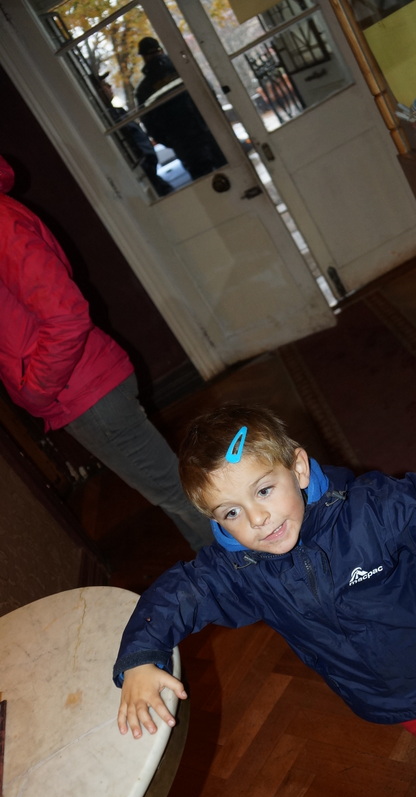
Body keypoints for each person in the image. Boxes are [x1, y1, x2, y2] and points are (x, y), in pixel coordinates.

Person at [114, 403, 416, 797]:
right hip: (385, 688)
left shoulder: (369, 509)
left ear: (298, 467)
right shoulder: (240, 569)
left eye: (265, 490)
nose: (257, 519)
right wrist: (140, 655)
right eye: (231, 512)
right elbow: (180, 593)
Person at [0, 154, 213, 553]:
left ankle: (264, 573)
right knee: (172, 491)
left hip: (81, 392)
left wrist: (36, 392)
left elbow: (66, 315)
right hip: (85, 388)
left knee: (177, 493)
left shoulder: (0, 223)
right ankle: (239, 575)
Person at [135, 37, 226, 182]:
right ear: (161, 50)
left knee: (209, 185)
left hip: (187, 147)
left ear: (144, 57)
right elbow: (209, 94)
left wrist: (175, 142)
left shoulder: (144, 90)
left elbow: (151, 127)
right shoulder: (183, 70)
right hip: (210, 134)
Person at [93, 73, 173, 197]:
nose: (109, 87)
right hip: (143, 172)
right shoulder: (109, 118)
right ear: (98, 91)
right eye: (104, 85)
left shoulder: (116, 112)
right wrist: (146, 163)